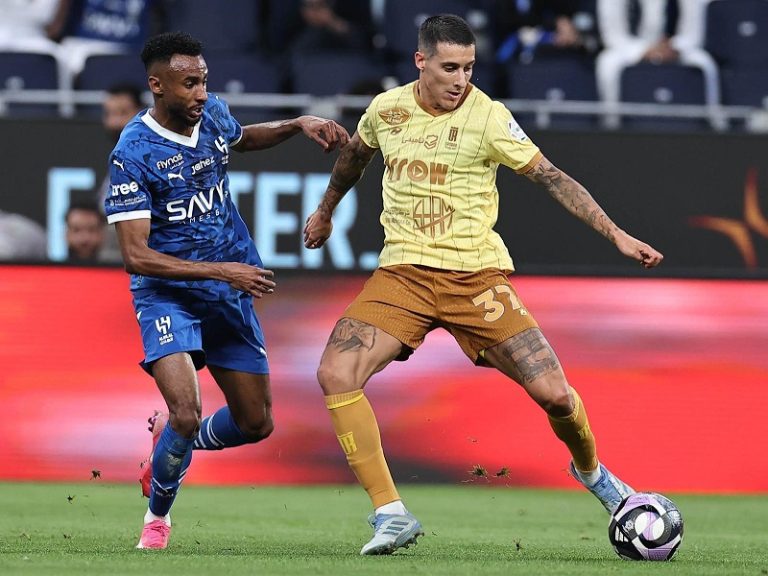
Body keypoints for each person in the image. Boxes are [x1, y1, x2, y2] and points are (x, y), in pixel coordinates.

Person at [303, 14, 663, 556]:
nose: (461, 80)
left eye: (469, 68)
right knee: (335, 371)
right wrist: (326, 210)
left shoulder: (489, 116)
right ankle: (390, 512)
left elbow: (552, 177)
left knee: (556, 396)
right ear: (420, 62)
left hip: (475, 278)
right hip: (402, 275)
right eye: (450, 68)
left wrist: (616, 234)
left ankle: (596, 476)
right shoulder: (386, 109)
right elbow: (355, 156)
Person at [104, 31, 349, 550]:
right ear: (157, 85)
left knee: (256, 423)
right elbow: (136, 256)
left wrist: (297, 124)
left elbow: (242, 139)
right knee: (186, 412)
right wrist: (224, 271)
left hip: (227, 291)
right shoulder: (133, 152)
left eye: (203, 81)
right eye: (189, 84)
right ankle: (157, 520)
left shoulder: (211, 112)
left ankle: (170, 439)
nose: (201, 92)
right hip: (168, 293)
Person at [595, 0, 721, 126]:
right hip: (630, 48)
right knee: (608, 63)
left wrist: (674, 47)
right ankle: (611, 122)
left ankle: (713, 121)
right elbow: (613, 35)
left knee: (705, 62)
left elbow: (693, 34)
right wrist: (643, 50)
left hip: (673, 48)